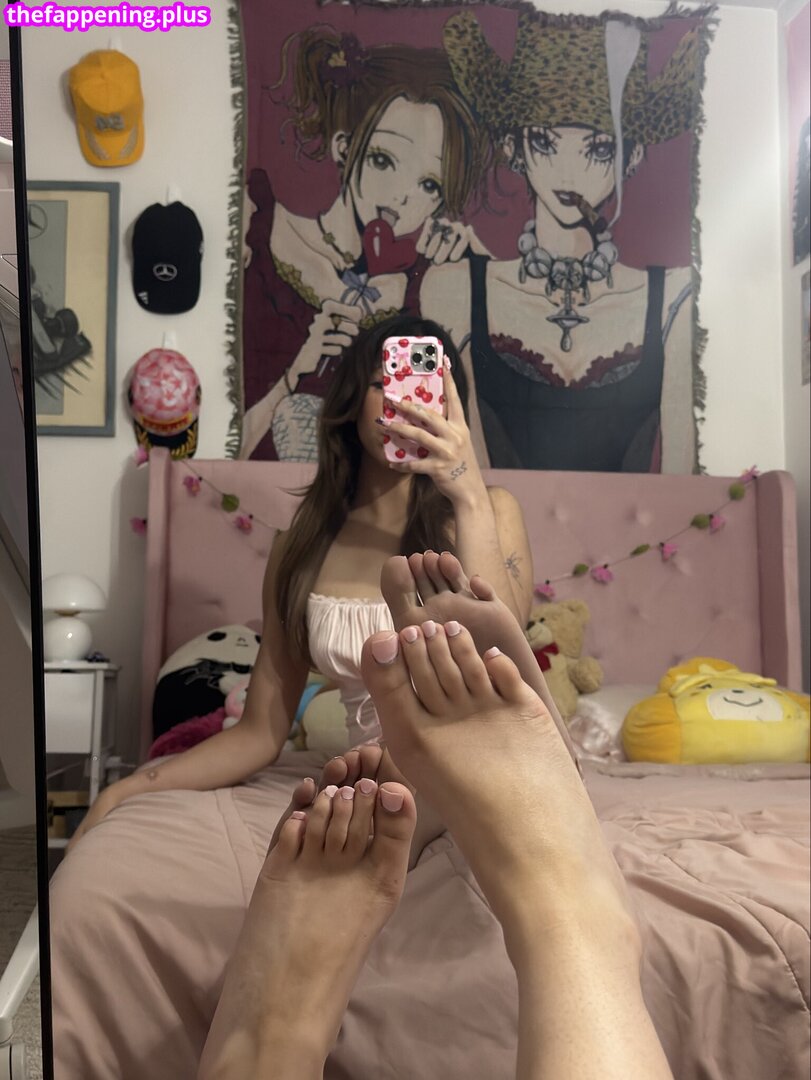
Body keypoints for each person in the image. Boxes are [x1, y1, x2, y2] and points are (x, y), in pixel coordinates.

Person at [51, 315, 573, 1080]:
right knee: (99, 873)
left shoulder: (488, 509)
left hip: (474, 749)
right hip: (369, 771)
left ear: (454, 404)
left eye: (426, 385)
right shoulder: (302, 539)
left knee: (420, 785)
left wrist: (463, 489)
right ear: (350, 404)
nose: (404, 401)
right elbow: (261, 730)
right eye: (383, 383)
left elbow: (501, 655)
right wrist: (134, 785)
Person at [198, 554, 673, 1080]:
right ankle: (579, 916)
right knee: (579, 946)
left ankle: (262, 1046)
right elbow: (258, 731)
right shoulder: (301, 549)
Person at [421, 10, 703, 473]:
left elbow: (681, 479)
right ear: (514, 148)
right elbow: (451, 464)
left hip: (639, 523)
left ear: (630, 157)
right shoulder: (451, 289)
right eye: (546, 143)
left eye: (598, 149)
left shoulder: (673, 297)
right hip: (490, 520)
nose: (569, 172)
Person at [240, 27, 491, 461]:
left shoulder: (430, 289)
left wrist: (480, 268)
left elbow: (459, 458)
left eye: (429, 184)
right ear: (343, 147)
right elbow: (225, 451)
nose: (402, 196)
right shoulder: (261, 229)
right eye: (383, 161)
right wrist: (297, 371)